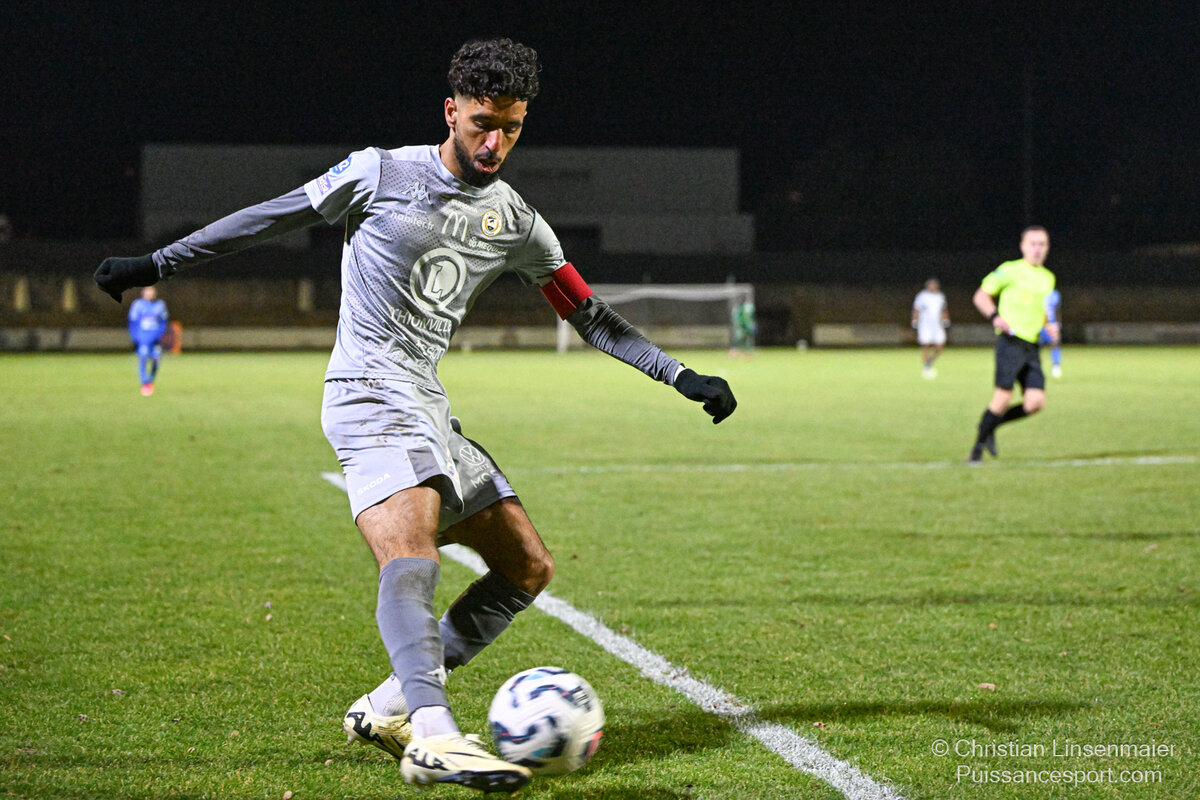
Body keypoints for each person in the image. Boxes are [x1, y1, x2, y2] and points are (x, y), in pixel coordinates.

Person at [94, 38, 736, 793]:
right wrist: (156, 263)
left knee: (526, 567)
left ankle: (389, 707)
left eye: (512, 128)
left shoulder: (517, 221)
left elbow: (589, 315)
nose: (495, 144)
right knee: (413, 554)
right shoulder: (380, 173)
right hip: (368, 390)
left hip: (428, 403)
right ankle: (434, 736)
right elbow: (270, 219)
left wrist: (679, 375)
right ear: (451, 111)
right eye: (483, 124)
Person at [967, 226, 1057, 464]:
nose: (1037, 249)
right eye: (1033, 243)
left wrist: (1049, 326)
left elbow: (1042, 310)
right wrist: (995, 317)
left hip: (1032, 346)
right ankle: (976, 451)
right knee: (1002, 398)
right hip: (1011, 343)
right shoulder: (1010, 270)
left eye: (1042, 244)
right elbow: (980, 296)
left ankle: (992, 425)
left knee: (1036, 402)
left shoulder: (1048, 278)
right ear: (1023, 246)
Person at [128, 286, 168, 395]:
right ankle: (145, 382)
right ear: (143, 293)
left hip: (155, 338)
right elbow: (133, 322)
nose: (150, 294)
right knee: (143, 358)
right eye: (148, 292)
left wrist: (159, 335)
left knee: (156, 359)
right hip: (143, 338)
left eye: (152, 292)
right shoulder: (137, 305)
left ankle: (150, 380)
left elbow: (163, 322)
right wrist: (136, 337)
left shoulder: (160, 305)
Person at [911, 278, 949, 378]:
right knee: (926, 345)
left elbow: (943, 309)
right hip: (925, 325)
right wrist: (915, 320)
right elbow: (917, 309)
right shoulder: (922, 296)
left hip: (937, 325)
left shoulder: (940, 296)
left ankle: (929, 362)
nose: (933, 286)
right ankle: (926, 367)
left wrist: (945, 319)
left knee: (940, 344)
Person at [1038, 288, 1063, 378]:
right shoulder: (1035, 291)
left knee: (1055, 343)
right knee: (1034, 346)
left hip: (1051, 324)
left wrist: (1057, 323)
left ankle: (1056, 365)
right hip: (1037, 324)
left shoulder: (1054, 294)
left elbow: (1057, 310)